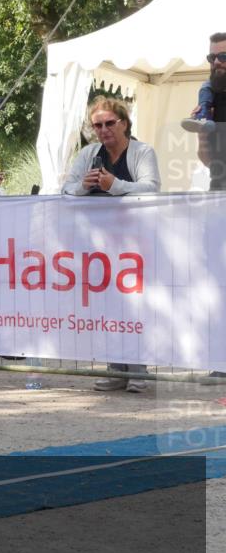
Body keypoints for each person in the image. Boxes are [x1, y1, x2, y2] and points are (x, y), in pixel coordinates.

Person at [61, 95, 160, 392]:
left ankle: (140, 373)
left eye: (109, 123)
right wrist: (84, 186)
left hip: (136, 244)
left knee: (135, 306)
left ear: (124, 124)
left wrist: (113, 185)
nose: (103, 130)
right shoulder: (89, 154)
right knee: (107, 307)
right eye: (97, 125)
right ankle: (116, 370)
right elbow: (66, 189)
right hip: (98, 247)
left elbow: (152, 188)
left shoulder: (143, 152)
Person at [187, 33, 226, 189]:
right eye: (212, 57)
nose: (216, 62)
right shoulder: (212, 100)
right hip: (218, 191)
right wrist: (202, 134)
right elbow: (208, 161)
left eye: (223, 56)